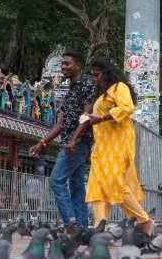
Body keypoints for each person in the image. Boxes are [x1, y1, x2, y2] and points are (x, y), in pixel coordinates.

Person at [67, 59, 153, 234]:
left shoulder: (119, 87)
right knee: (96, 188)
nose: (95, 79)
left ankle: (144, 220)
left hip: (117, 144)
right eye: (93, 76)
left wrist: (101, 118)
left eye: (97, 75)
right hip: (101, 147)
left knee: (115, 183)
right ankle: (100, 229)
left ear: (107, 74)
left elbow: (127, 108)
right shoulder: (101, 96)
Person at [29, 50, 96, 227]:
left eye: (67, 63)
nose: (63, 67)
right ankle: (81, 228)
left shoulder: (87, 84)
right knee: (77, 187)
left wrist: (74, 140)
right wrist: (42, 142)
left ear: (78, 66)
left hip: (77, 143)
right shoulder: (70, 91)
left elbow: (87, 115)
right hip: (69, 143)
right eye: (62, 64)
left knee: (56, 181)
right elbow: (60, 124)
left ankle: (70, 224)